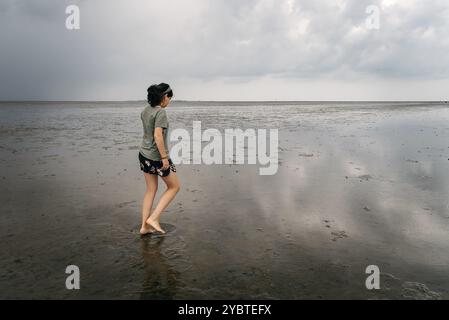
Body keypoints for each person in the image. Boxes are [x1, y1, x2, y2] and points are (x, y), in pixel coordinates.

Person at [138, 83, 180, 235]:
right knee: (174, 187)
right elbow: (157, 136)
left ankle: (144, 227)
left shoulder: (145, 110)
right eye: (169, 98)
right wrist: (165, 158)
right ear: (164, 97)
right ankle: (153, 218)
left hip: (143, 154)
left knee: (151, 190)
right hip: (156, 157)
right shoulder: (160, 112)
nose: (169, 101)